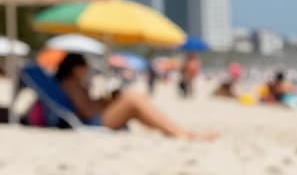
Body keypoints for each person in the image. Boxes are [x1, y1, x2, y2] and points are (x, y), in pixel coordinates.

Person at [40, 53, 215, 139]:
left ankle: (175, 131)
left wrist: (108, 99)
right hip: (92, 123)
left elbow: (87, 106)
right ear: (75, 68)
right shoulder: (70, 83)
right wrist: (106, 102)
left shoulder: (74, 83)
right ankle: (178, 132)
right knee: (133, 98)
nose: (87, 70)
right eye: (85, 67)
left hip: (94, 119)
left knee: (134, 99)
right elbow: (87, 111)